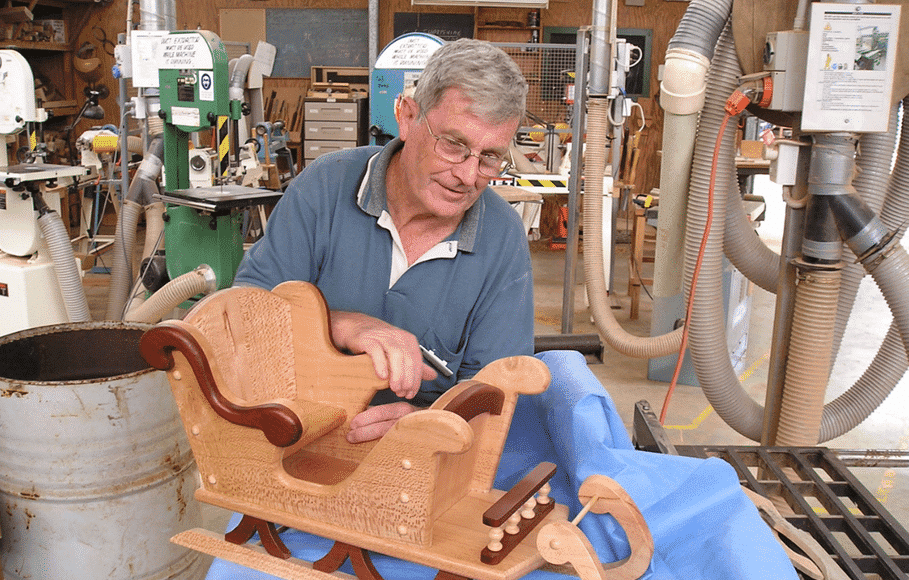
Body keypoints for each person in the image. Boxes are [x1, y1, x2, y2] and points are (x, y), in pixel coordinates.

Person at [233, 38, 532, 443]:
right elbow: (244, 315)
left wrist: (427, 421)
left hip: (421, 459)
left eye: (490, 157)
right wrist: (341, 323)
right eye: (454, 145)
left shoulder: (503, 239)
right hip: (297, 431)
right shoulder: (324, 187)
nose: (468, 176)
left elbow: (497, 393)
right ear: (407, 117)